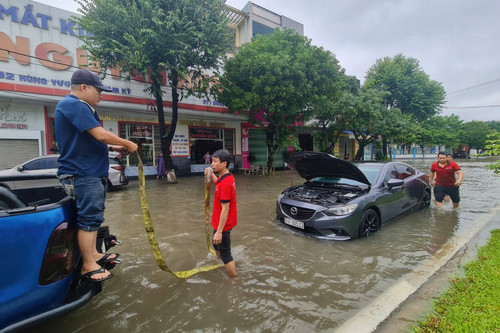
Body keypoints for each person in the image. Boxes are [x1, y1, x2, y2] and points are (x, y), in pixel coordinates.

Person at [55, 69, 138, 283]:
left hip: (90, 172)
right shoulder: (75, 104)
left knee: (94, 217)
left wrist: (114, 148)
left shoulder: (78, 107)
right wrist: (127, 143)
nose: (101, 95)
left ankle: (93, 255)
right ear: (84, 88)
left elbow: (91, 140)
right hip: (83, 173)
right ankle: (88, 265)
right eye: (98, 90)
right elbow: (99, 134)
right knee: (89, 218)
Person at [204, 149, 238, 277]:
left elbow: (225, 209)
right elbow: (218, 183)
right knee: (216, 245)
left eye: (215, 162)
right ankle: (220, 263)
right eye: (212, 161)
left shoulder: (226, 183)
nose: (212, 164)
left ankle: (234, 279)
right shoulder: (226, 177)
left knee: (226, 254)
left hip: (223, 225)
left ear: (224, 163)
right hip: (219, 222)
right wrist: (211, 174)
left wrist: (219, 231)